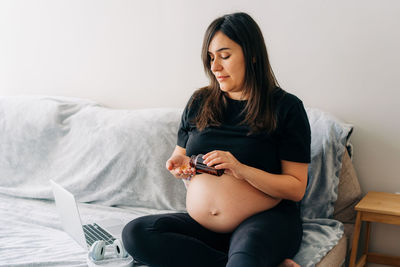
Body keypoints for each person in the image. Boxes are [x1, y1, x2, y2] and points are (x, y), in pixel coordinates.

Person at [122, 12, 310, 267]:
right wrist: (179, 164)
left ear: (252, 55)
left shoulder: (286, 108)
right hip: (206, 229)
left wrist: (241, 170)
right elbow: (181, 155)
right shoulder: (200, 102)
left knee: (248, 251)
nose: (215, 67)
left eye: (224, 56)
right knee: (136, 234)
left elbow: (295, 188)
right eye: (211, 58)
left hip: (266, 222)